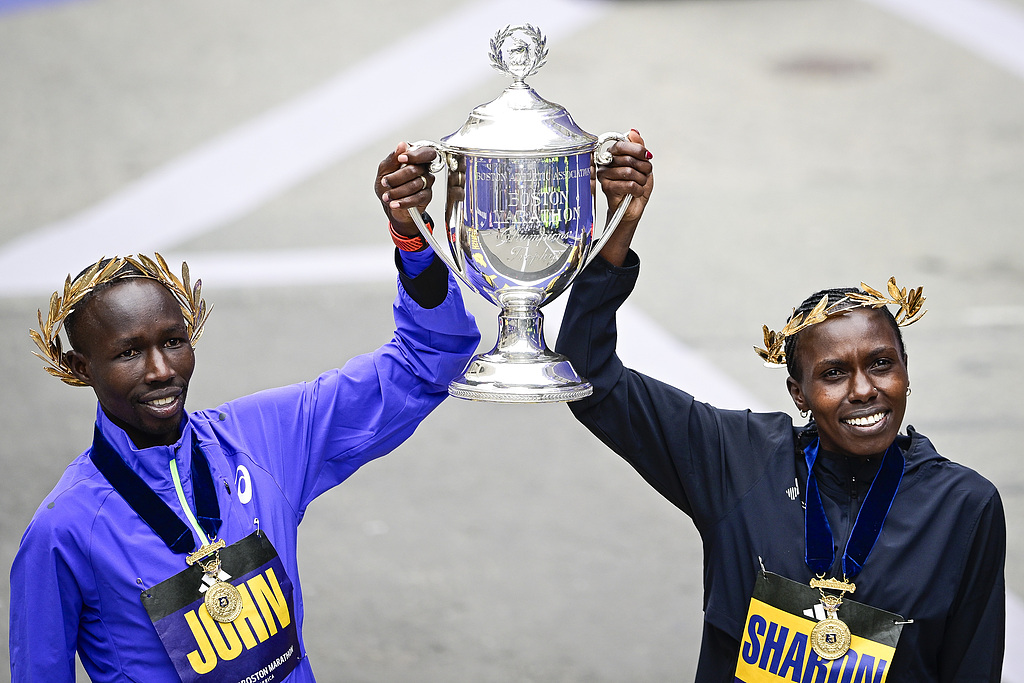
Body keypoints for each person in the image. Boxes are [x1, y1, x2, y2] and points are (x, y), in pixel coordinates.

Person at [8, 143, 480, 683]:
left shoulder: (265, 438)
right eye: (128, 352)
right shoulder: (63, 530)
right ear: (79, 365)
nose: (162, 370)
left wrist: (411, 239)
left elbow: (429, 360)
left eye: (173, 341)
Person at [558, 130, 1006, 681]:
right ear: (798, 393)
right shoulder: (738, 460)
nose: (863, 390)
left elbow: (973, 667)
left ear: (906, 373)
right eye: (833, 374)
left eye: (881, 364)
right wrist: (619, 227)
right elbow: (586, 375)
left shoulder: (965, 506)